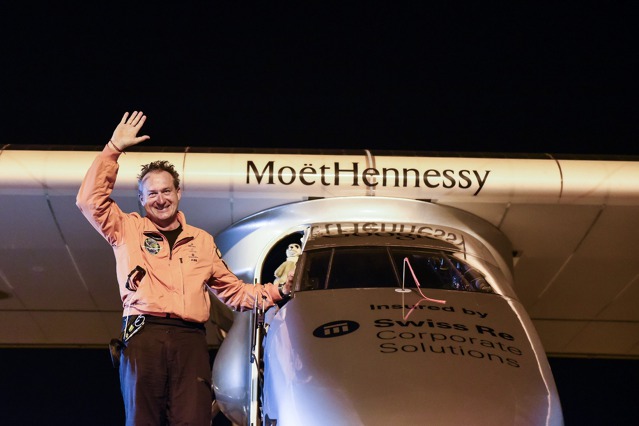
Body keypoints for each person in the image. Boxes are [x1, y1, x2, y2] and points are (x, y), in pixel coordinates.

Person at [76, 111, 292, 426]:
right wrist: (113, 149)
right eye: (152, 193)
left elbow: (234, 293)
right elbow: (88, 201)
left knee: (193, 419)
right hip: (143, 334)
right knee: (142, 421)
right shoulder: (126, 228)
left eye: (166, 191)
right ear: (141, 199)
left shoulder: (202, 241)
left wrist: (280, 290)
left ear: (179, 193)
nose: (160, 199)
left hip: (189, 339)